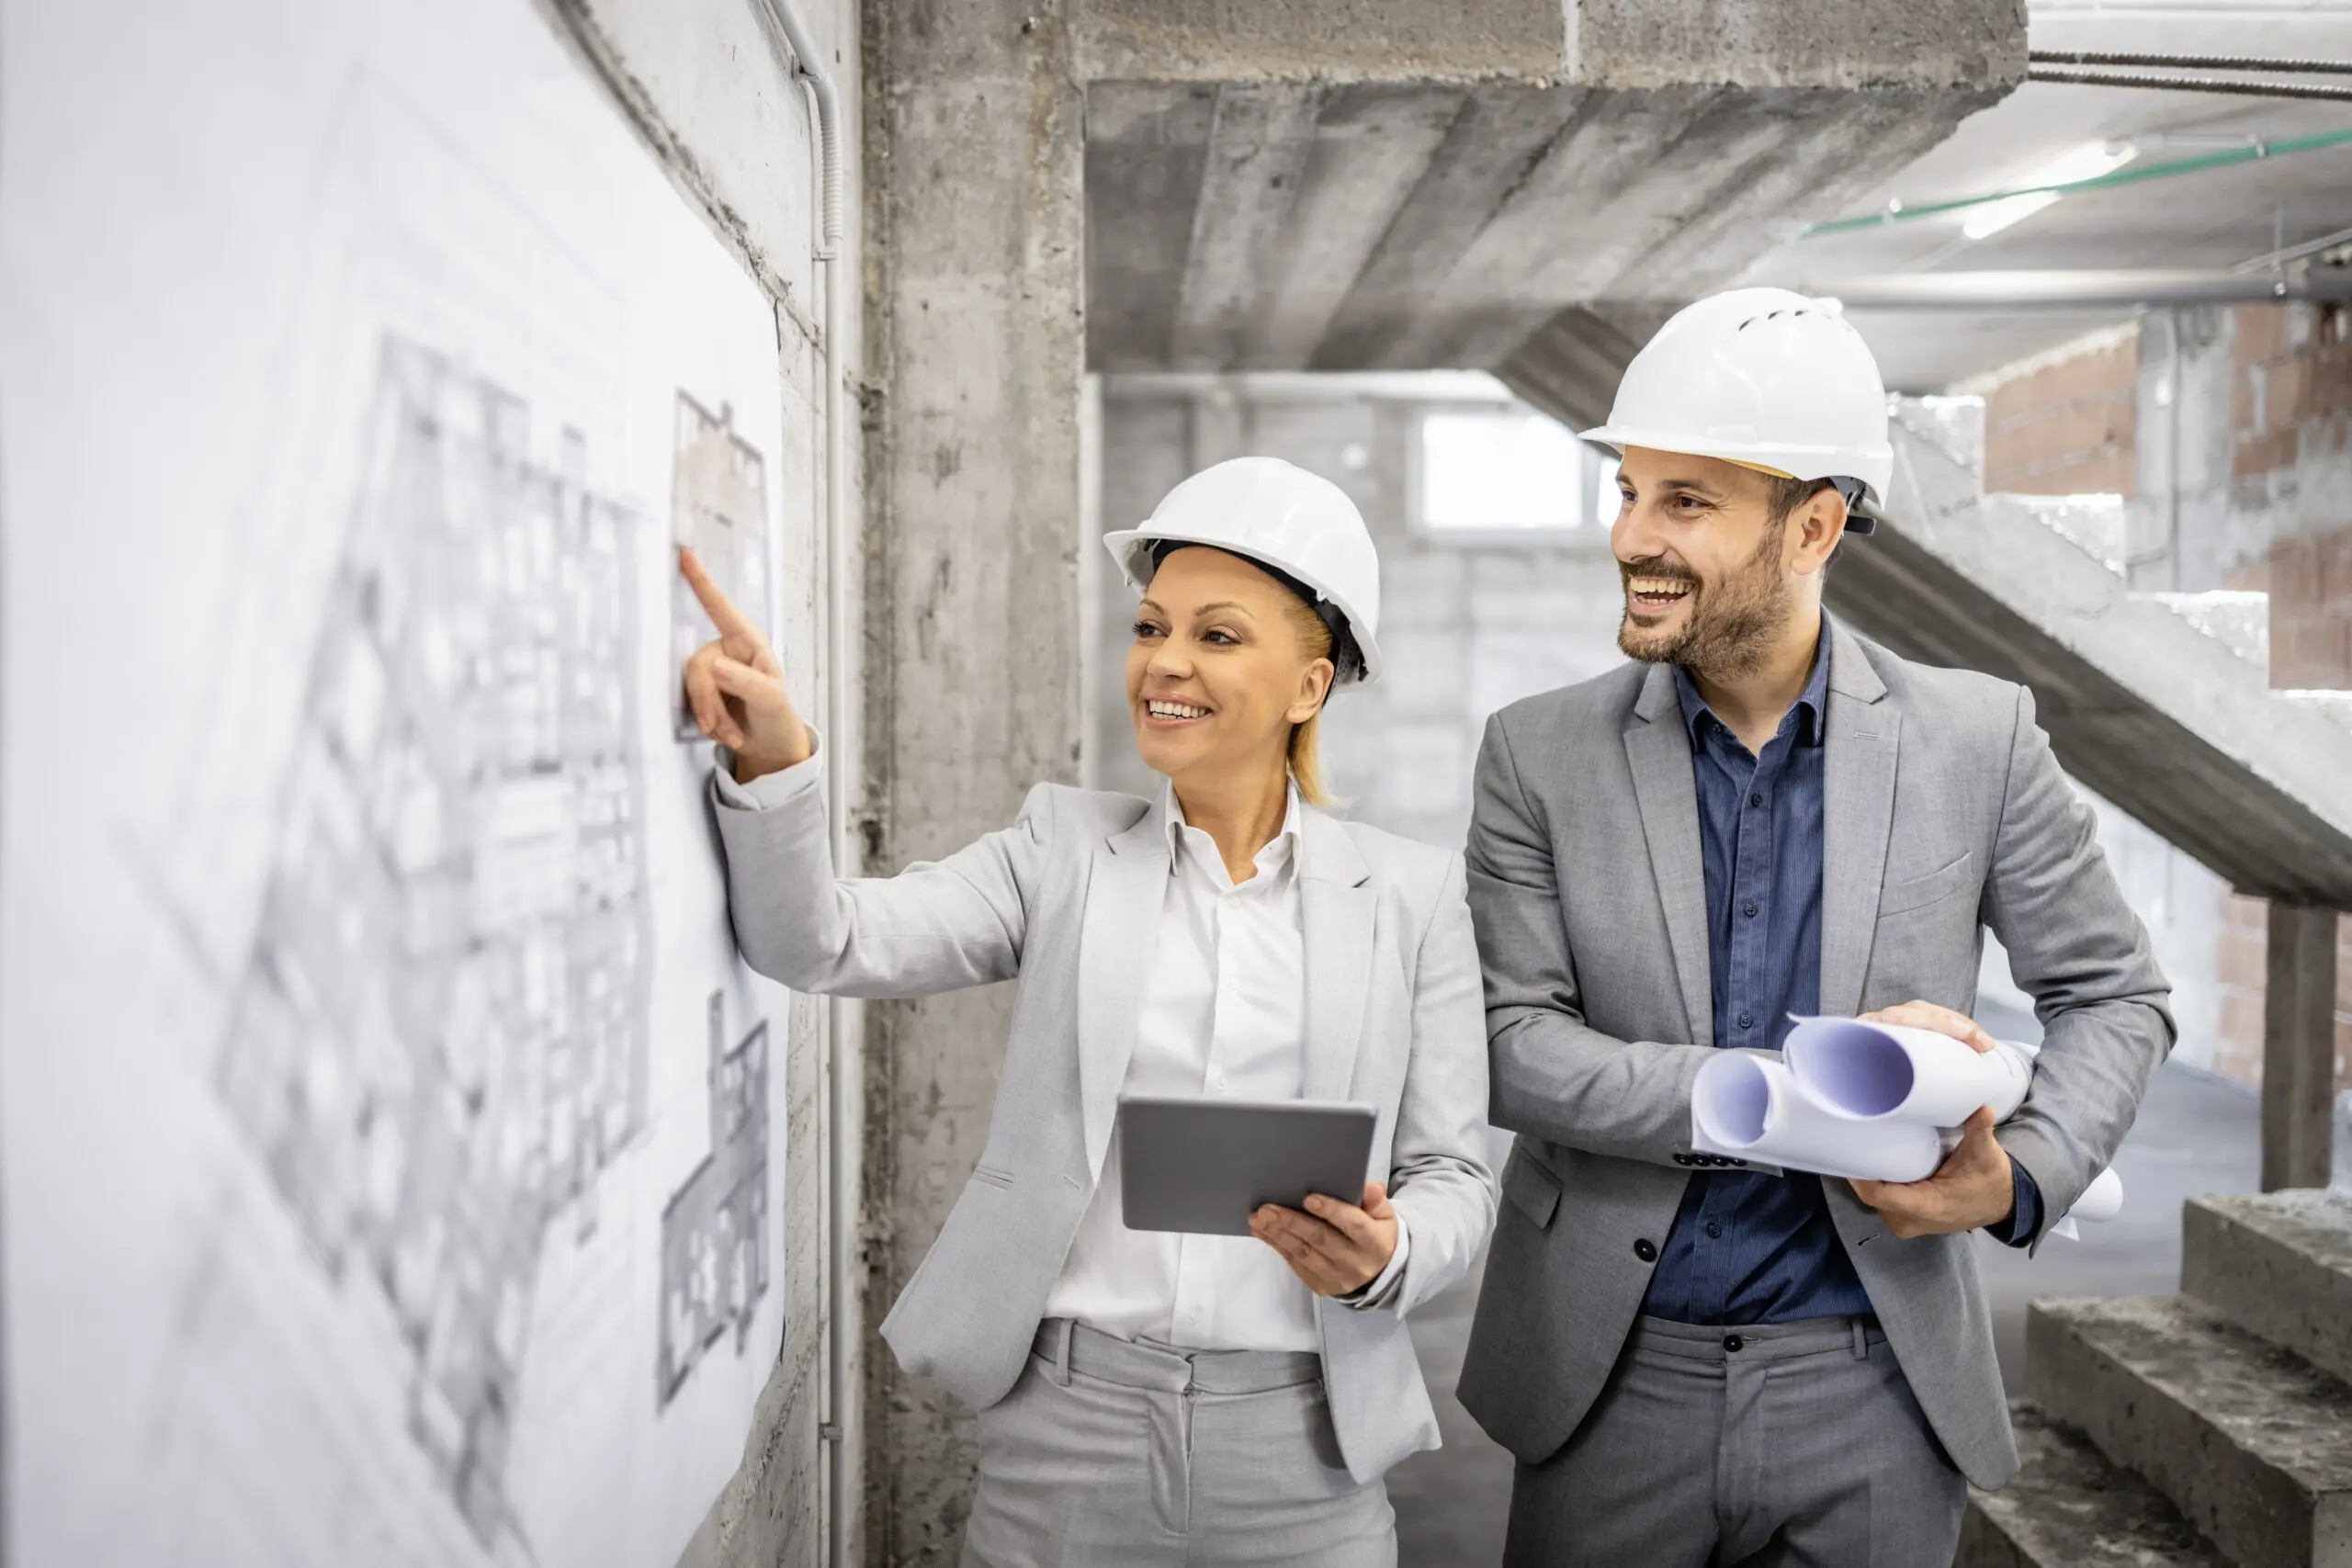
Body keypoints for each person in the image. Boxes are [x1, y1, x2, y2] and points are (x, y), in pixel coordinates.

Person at [1455, 288, 2174, 1567]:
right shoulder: (1535, 753)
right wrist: (1765, 1094)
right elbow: (1508, 1042)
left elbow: (2115, 990)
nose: (1631, 535)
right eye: (1628, 490)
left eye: (1686, 501)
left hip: (1874, 1376)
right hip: (1611, 1373)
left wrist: (2024, 1172)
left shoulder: (1977, 737)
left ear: (1815, 525)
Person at [681, 455, 1496, 1567]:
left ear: (1309, 687)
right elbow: (819, 941)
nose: (1164, 661)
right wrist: (774, 755)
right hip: (1065, 1435)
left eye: (1216, 636)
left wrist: (1392, 1255)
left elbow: (1456, 1175)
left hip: (1304, 1448)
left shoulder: (1409, 895)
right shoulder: (1059, 852)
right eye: (1152, 627)